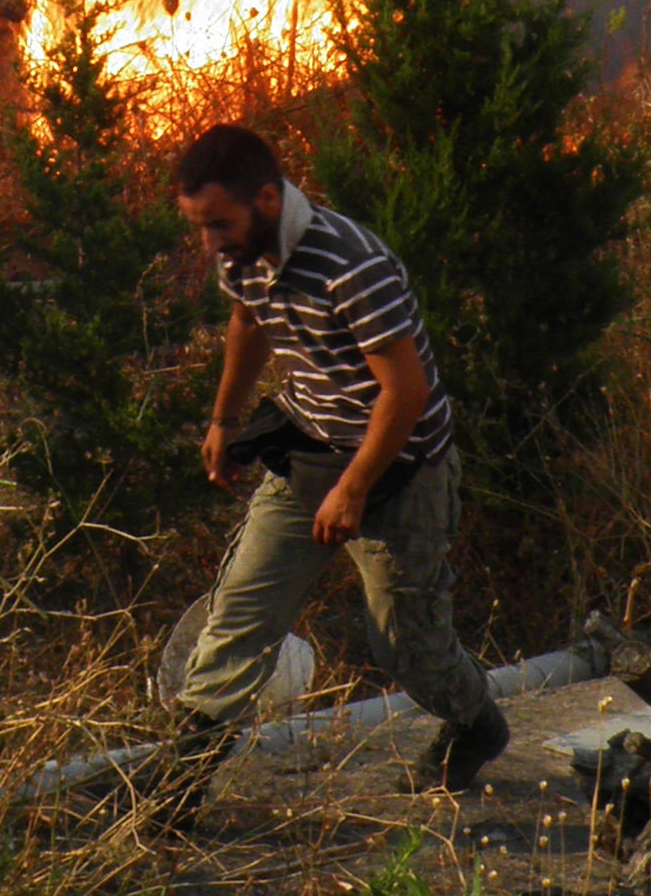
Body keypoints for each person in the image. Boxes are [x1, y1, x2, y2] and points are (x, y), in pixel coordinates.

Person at [139, 124, 511, 819]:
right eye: (198, 227)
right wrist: (224, 420)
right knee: (240, 617)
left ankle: (476, 723)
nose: (209, 243)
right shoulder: (242, 254)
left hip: (399, 467)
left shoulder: (352, 266)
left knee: (409, 649)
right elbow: (250, 324)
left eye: (218, 223)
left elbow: (405, 393)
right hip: (309, 451)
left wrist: (355, 489)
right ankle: (171, 797)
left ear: (269, 201)